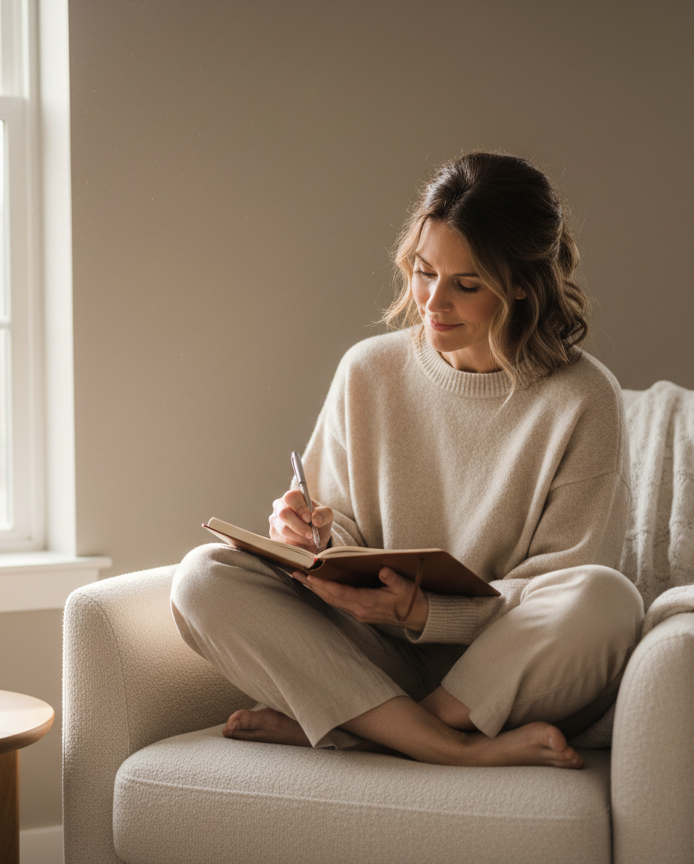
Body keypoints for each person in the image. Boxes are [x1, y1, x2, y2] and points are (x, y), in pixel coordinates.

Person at [171, 152, 644, 768]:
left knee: (607, 599)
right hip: (379, 655)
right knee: (203, 576)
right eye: (424, 272)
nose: (433, 301)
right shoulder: (367, 370)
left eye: (466, 284)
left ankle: (376, 728)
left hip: (508, 673)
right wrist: (310, 532)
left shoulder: (583, 399)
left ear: (525, 285)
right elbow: (344, 532)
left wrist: (423, 611)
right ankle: (447, 747)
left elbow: (562, 585)